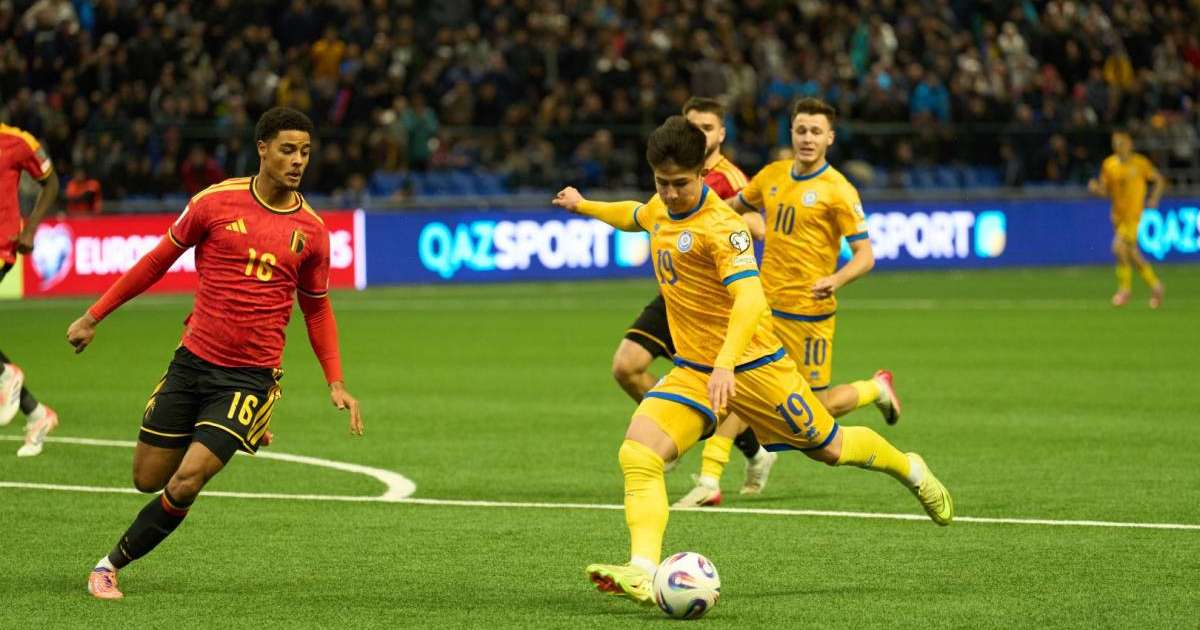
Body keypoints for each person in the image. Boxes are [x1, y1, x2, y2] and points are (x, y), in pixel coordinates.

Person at [553, 115, 953, 607]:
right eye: (663, 183)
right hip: (695, 371)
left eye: (681, 183)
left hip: (756, 367)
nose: (672, 193)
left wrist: (726, 363)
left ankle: (909, 468)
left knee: (828, 447)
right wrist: (583, 205)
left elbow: (749, 301)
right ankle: (642, 569)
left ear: (702, 172)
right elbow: (635, 213)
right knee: (638, 454)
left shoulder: (725, 228)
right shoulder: (661, 206)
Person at [67, 107, 364, 600]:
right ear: (262, 148)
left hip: (250, 377)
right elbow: (156, 261)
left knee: (185, 481)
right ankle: (235, 427)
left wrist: (335, 380)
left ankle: (108, 565)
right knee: (147, 478)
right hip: (193, 361)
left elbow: (316, 310)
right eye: (288, 149)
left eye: (306, 152)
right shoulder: (215, 202)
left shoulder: (312, 231)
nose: (297, 161)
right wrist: (94, 315)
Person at [677, 98, 902, 508]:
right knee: (739, 388)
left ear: (830, 138)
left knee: (817, 414)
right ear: (792, 133)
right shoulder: (772, 176)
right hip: (763, 309)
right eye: (801, 130)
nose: (807, 139)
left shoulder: (839, 191)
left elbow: (866, 256)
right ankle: (710, 478)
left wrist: (836, 278)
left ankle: (874, 388)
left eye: (816, 132)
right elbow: (731, 210)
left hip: (811, 316)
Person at [612, 97, 777, 507]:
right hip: (675, 295)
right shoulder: (672, 172)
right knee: (625, 367)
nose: (700, 133)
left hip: (717, 301)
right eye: (693, 126)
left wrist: (736, 221)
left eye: (708, 127)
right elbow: (646, 213)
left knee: (724, 386)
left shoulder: (732, 181)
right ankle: (678, 431)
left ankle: (716, 453)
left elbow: (756, 224)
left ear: (720, 134)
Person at [0, 121, 60, 457]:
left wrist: (31, 229)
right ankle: (37, 415)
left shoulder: (16, 141)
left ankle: (7, 376)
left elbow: (50, 182)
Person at [1087, 129, 1166, 308]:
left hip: (1134, 216)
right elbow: (1104, 191)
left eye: (1121, 143)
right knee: (1131, 253)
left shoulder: (1140, 163)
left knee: (1118, 247)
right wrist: (1095, 189)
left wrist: (1154, 198)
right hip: (1118, 217)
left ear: (1129, 144)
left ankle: (1124, 290)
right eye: (1115, 143)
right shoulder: (1109, 165)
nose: (1118, 146)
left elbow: (1159, 180)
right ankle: (1156, 286)